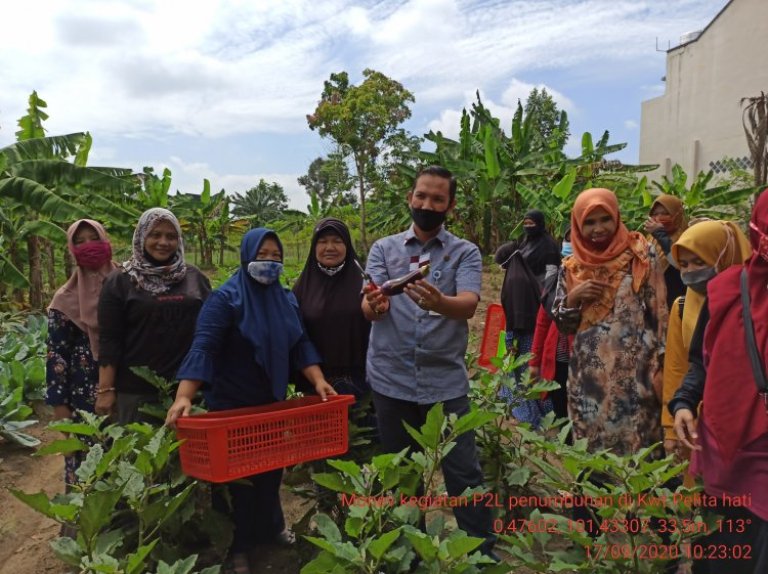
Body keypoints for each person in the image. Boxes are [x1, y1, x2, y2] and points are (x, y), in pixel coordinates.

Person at [166, 228, 336, 574]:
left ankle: (271, 529)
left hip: (269, 400)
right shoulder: (225, 299)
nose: (270, 262)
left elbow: (300, 343)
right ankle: (237, 547)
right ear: (246, 257)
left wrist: (318, 380)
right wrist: (184, 395)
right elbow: (205, 346)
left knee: (270, 471)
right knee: (235, 480)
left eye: (276, 256)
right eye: (262, 255)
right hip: (232, 403)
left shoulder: (285, 299)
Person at [362, 165, 495, 555]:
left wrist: (440, 302)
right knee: (402, 474)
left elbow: (468, 305)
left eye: (438, 199)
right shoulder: (383, 249)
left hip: (444, 382)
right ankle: (409, 554)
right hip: (391, 380)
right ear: (410, 198)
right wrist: (375, 304)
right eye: (421, 196)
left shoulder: (464, 252)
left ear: (450, 206)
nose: (427, 204)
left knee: (464, 472)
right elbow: (369, 307)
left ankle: (482, 553)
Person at [671, 192, 768, 574]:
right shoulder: (728, 290)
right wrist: (683, 402)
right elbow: (700, 360)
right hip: (723, 456)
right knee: (721, 554)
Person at [552, 188, 668, 455]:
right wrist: (573, 298)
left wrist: (660, 366)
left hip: (636, 376)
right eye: (589, 222)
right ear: (578, 225)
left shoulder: (641, 255)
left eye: (605, 219)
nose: (598, 228)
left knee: (637, 453)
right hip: (588, 381)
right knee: (592, 453)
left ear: (617, 217)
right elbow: (563, 325)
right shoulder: (572, 266)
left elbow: (660, 314)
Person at [96, 208, 211, 424]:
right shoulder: (120, 282)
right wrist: (106, 389)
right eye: (155, 235)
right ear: (141, 236)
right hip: (137, 392)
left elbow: (210, 331)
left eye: (171, 236)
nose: (163, 242)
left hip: (188, 389)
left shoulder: (195, 278)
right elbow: (109, 340)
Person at [661, 221, 751, 482]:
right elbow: (678, 368)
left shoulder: (755, 305)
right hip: (698, 423)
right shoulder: (682, 307)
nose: (690, 272)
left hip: (749, 425)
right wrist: (671, 426)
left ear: (724, 256)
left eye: (699, 262)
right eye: (684, 264)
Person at [46, 219, 118, 489]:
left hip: (128, 389)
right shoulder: (64, 299)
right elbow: (57, 359)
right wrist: (61, 413)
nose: (89, 246)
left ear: (105, 240)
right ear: (71, 249)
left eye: (94, 238)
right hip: (85, 400)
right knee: (88, 467)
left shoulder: (128, 283)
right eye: (80, 241)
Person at [292, 217, 371, 402]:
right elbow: (299, 339)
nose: (329, 247)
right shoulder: (302, 288)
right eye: (322, 241)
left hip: (364, 381)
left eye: (337, 241)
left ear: (347, 245)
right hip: (316, 384)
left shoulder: (366, 283)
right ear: (314, 247)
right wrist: (316, 378)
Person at [494, 210, 561, 424]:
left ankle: (541, 413)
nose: (528, 226)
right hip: (518, 308)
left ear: (541, 224)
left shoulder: (549, 247)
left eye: (532, 223)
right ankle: (520, 406)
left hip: (539, 310)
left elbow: (552, 276)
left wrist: (546, 299)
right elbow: (500, 259)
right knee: (516, 361)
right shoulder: (523, 243)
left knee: (533, 363)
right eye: (526, 223)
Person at [528, 226, 573, 420]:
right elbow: (542, 322)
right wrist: (534, 362)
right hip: (557, 359)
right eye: (568, 239)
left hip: (585, 362)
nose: (571, 244)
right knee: (561, 411)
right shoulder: (555, 276)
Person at [645, 194, 687, 309]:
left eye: (665, 213)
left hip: (678, 302)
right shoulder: (650, 239)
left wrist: (661, 236)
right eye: (655, 214)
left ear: (677, 214)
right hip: (654, 302)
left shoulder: (687, 238)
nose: (659, 218)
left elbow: (678, 263)